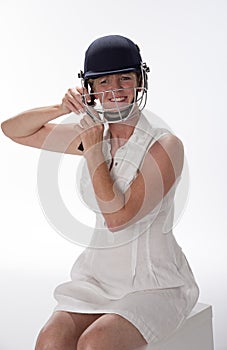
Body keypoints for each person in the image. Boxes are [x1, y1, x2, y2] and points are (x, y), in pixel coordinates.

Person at [1, 35, 199, 350]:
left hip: (154, 284)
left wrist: (93, 149)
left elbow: (118, 218)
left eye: (125, 78)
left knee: (95, 343)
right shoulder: (94, 135)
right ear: (90, 89)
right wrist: (60, 107)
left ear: (140, 82)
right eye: (103, 81)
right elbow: (13, 130)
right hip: (96, 278)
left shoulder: (164, 146)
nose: (115, 90)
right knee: (49, 341)